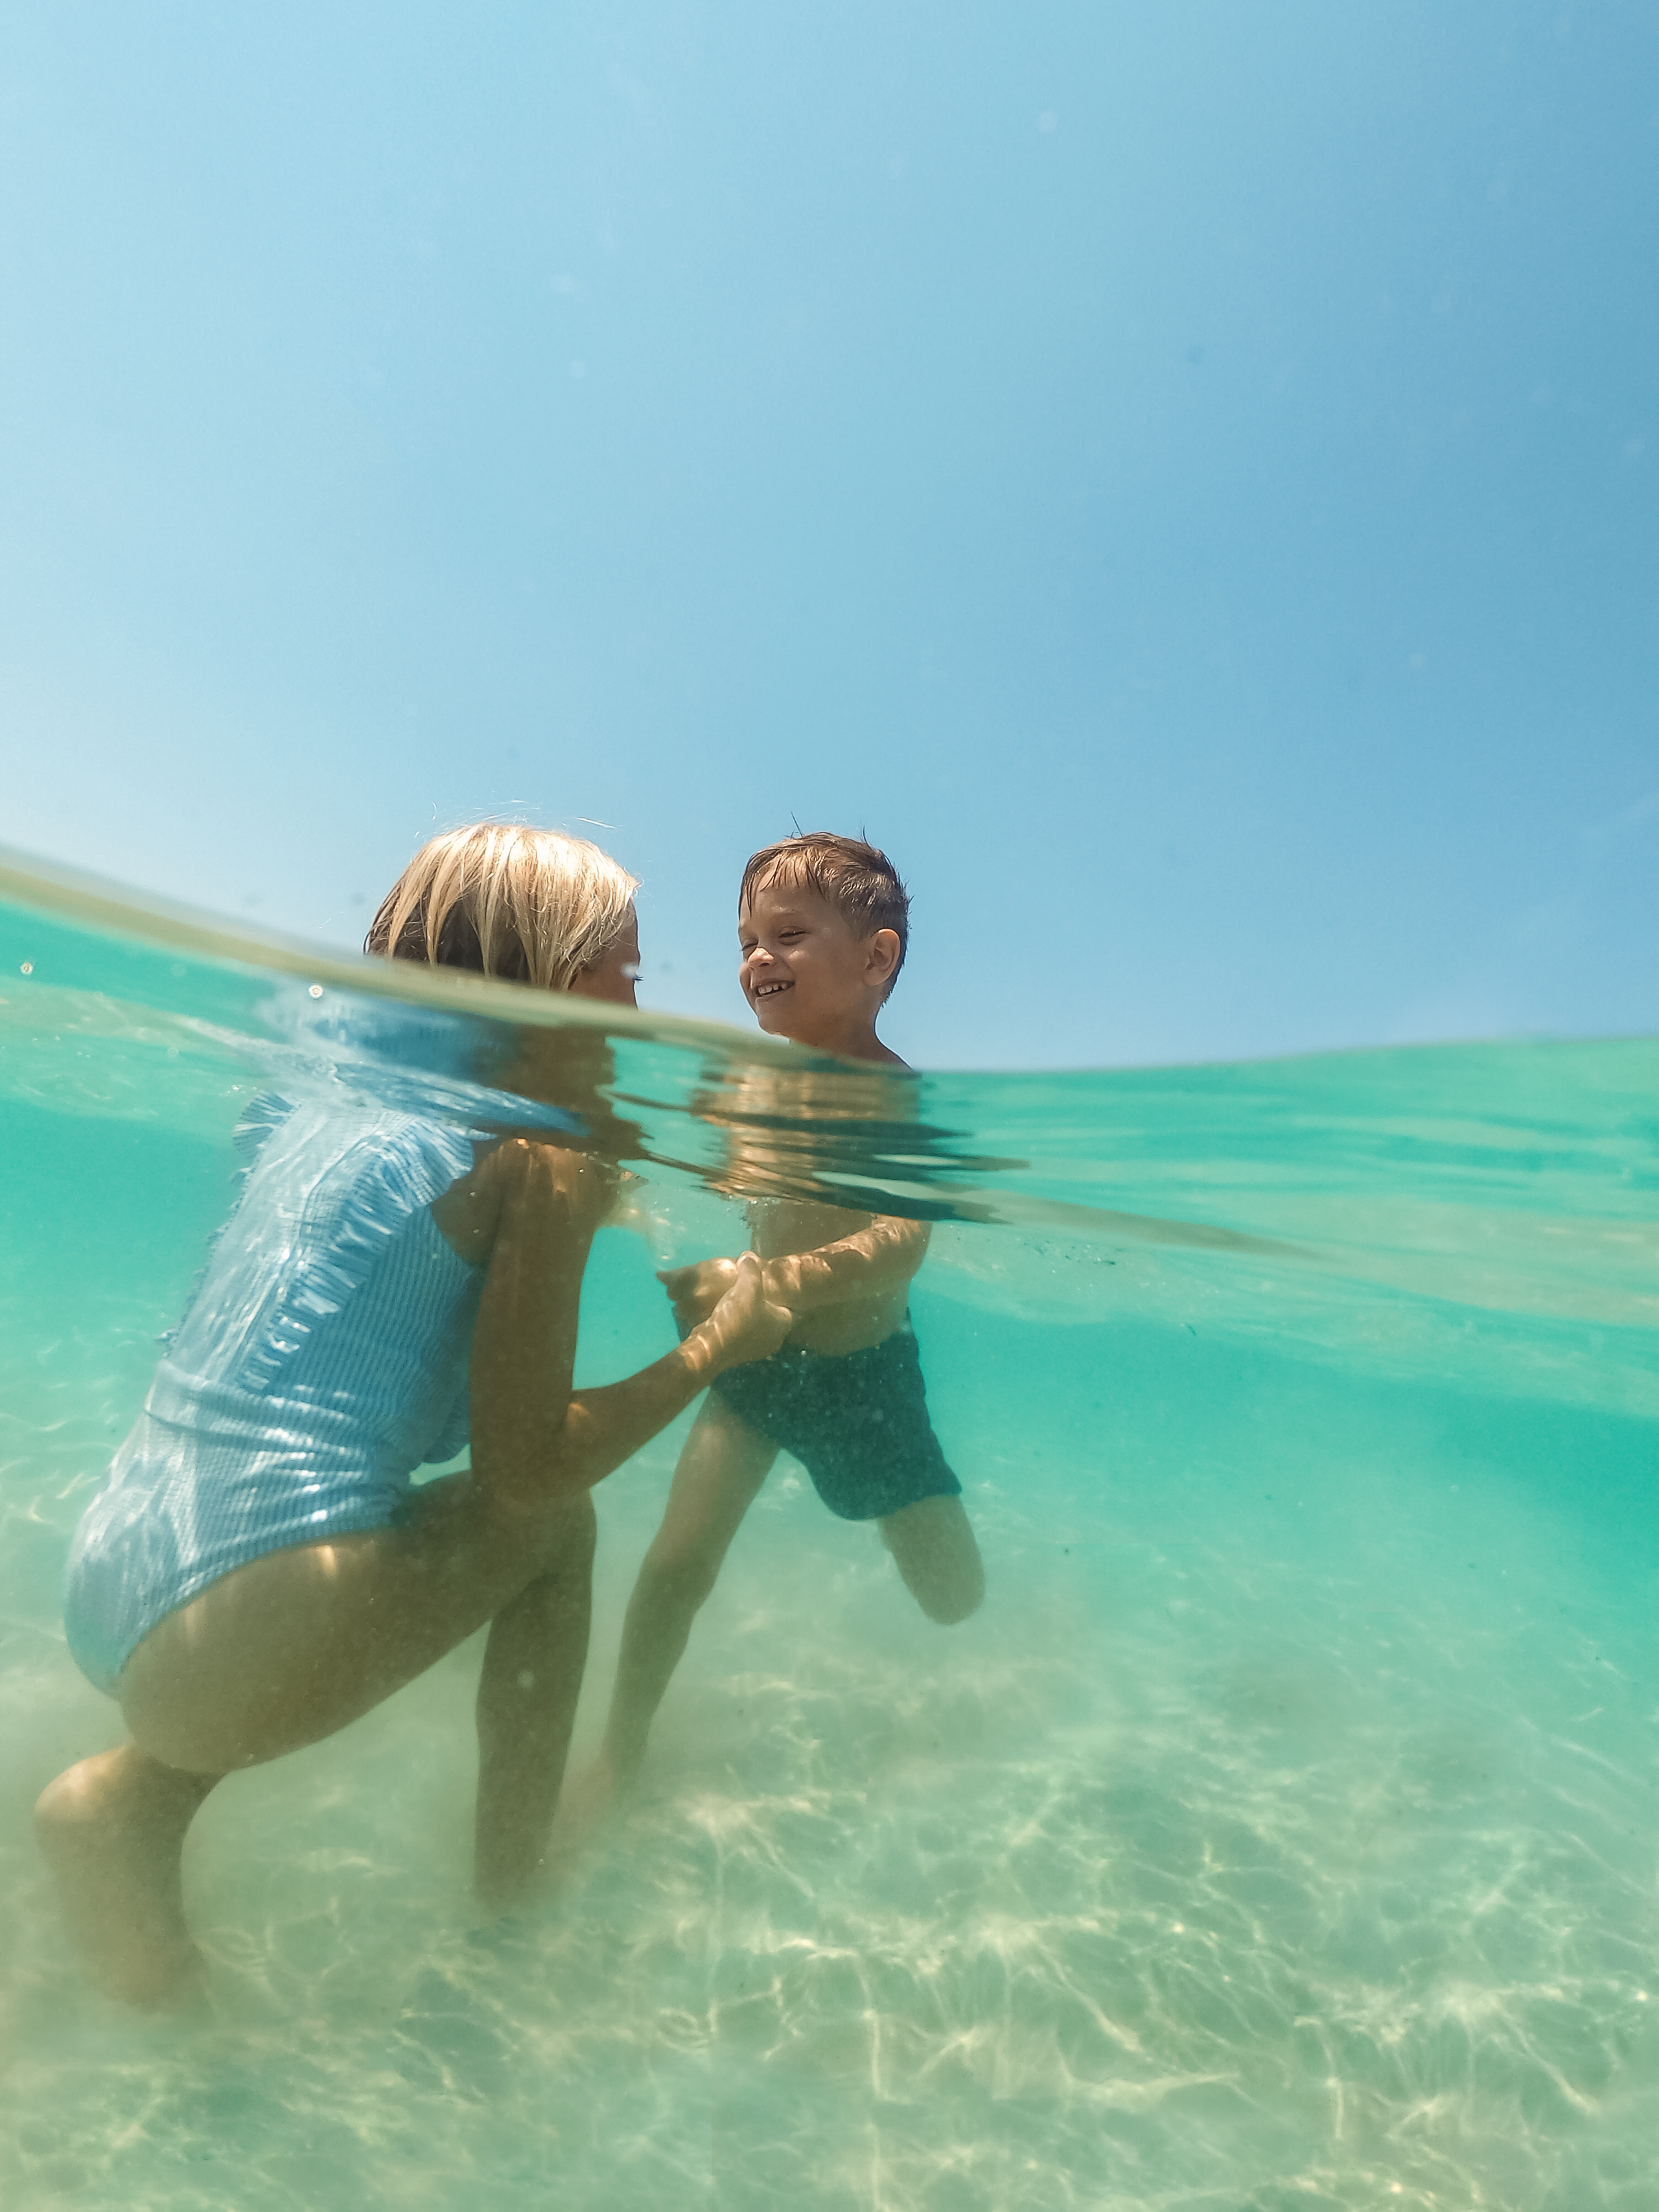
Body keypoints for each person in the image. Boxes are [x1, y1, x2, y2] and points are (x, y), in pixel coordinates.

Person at [34, 821, 791, 2007]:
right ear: (550, 979)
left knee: (354, 1516)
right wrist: (718, 1343)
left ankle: (139, 1797)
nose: (642, 1002)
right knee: (559, 1525)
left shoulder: (316, 1104)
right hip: (239, 1620)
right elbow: (526, 1471)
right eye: (625, 970)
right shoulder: (534, 1157)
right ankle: (512, 1900)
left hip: (125, 1560)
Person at [583, 833, 984, 1813]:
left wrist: (782, 1282)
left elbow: (902, 1240)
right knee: (676, 1565)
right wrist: (653, 1225)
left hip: (864, 1384)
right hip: (756, 1370)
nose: (756, 958)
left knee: (952, 1595)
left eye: (789, 935)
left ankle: (899, 1527)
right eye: (746, 939)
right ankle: (620, 1753)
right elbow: (693, 1194)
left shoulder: (895, 1097)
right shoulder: (736, 1086)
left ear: (876, 959)